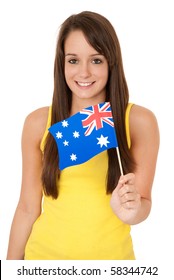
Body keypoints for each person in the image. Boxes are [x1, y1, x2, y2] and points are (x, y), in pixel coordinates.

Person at [6, 11, 159, 260]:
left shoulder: (139, 122)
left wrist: (129, 212)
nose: (84, 72)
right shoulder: (38, 123)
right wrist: (10, 271)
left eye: (96, 60)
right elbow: (26, 208)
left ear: (111, 62)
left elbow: (142, 204)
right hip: (43, 264)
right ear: (62, 64)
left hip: (111, 267)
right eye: (73, 60)